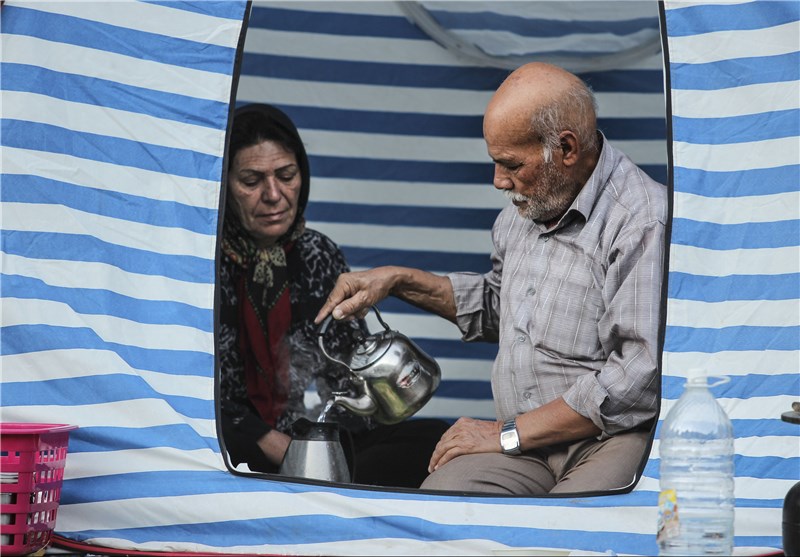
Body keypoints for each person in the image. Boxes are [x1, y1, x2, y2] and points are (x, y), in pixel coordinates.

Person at [315, 62, 667, 495]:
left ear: (567, 148)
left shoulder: (641, 220)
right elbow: (500, 307)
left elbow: (638, 380)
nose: (499, 181)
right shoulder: (525, 209)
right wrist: (398, 280)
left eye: (511, 164)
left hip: (607, 438)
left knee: (573, 523)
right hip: (522, 444)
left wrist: (507, 433)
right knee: (441, 505)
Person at [219, 103, 449, 488]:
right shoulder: (202, 261)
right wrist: (278, 446)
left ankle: (322, 482)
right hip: (229, 440)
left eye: (286, 176)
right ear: (224, 184)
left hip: (308, 434)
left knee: (433, 441)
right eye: (251, 180)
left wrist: (324, 439)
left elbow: (346, 374)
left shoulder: (318, 254)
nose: (274, 194)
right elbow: (193, 388)